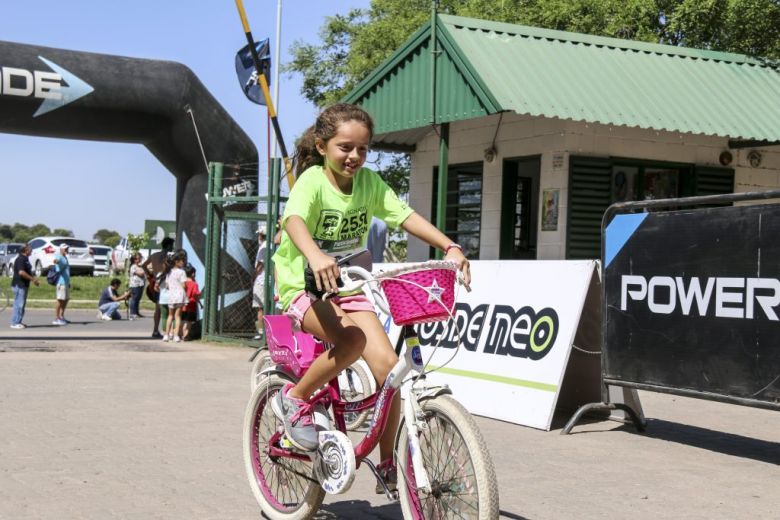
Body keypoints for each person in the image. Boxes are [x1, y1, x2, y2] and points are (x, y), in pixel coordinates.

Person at [270, 103, 470, 493]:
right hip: (304, 287)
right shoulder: (312, 181)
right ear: (323, 145)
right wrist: (314, 254)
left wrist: (450, 245)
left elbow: (404, 216)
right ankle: (294, 398)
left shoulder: (369, 184)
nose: (354, 157)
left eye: (362, 149)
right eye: (345, 147)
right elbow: (293, 220)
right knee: (351, 342)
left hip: (348, 286)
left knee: (391, 370)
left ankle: (387, 465)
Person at [141, 237, 174, 338]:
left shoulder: (154, 255)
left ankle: (156, 330)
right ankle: (168, 332)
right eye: (172, 245)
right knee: (168, 309)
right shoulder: (168, 257)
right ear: (168, 245)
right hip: (165, 283)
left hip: (155, 282)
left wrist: (150, 275)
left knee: (158, 309)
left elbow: (143, 265)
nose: (172, 247)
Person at [10, 244, 39, 329]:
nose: (32, 251)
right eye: (30, 249)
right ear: (26, 251)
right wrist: (33, 280)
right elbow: (21, 272)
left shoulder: (25, 259)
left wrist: (32, 278)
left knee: (20, 304)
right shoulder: (20, 259)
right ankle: (15, 323)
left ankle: (18, 321)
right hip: (19, 285)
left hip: (23, 285)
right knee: (19, 304)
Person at [163, 251, 187, 342]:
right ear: (177, 261)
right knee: (177, 316)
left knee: (170, 315)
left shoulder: (169, 272)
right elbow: (184, 285)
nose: (183, 263)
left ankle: (166, 335)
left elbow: (167, 286)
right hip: (180, 296)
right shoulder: (182, 272)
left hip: (171, 296)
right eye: (182, 261)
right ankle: (176, 335)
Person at [253, 226, 269, 339]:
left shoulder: (263, 246)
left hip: (261, 281)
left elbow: (260, 265)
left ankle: (261, 333)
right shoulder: (272, 245)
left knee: (260, 308)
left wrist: (253, 277)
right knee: (266, 307)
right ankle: (265, 332)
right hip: (267, 281)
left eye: (259, 234)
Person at [52, 243, 71, 325]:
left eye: (67, 248)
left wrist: (68, 282)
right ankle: (56, 319)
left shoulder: (65, 257)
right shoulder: (59, 256)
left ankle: (61, 316)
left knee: (66, 300)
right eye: (65, 248)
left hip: (66, 282)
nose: (67, 250)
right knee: (60, 301)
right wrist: (56, 261)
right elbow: (56, 260)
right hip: (61, 282)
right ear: (61, 249)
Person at [181, 263, 200, 341]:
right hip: (191, 305)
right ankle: (186, 335)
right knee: (188, 322)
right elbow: (195, 294)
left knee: (182, 320)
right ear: (193, 274)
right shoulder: (194, 284)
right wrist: (197, 299)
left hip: (182, 304)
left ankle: (181, 334)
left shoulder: (183, 283)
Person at [127, 252, 146, 320]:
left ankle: (137, 312)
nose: (138, 260)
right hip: (134, 285)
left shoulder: (140, 266)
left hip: (141, 284)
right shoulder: (133, 267)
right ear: (133, 260)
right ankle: (132, 313)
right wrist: (144, 270)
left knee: (138, 299)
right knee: (134, 299)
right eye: (136, 259)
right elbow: (141, 274)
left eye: (139, 258)